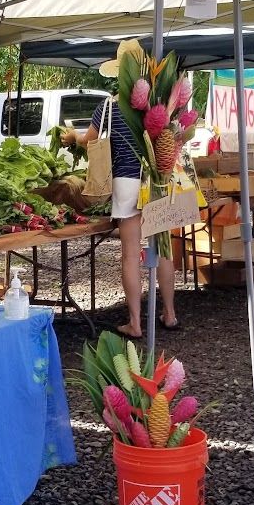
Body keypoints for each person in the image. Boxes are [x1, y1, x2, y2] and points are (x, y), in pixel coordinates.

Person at [61, 49, 179, 339]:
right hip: (157, 181)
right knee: (163, 249)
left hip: (126, 182)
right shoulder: (157, 103)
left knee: (129, 254)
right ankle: (170, 314)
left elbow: (89, 141)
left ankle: (136, 324)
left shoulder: (109, 106)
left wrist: (71, 137)